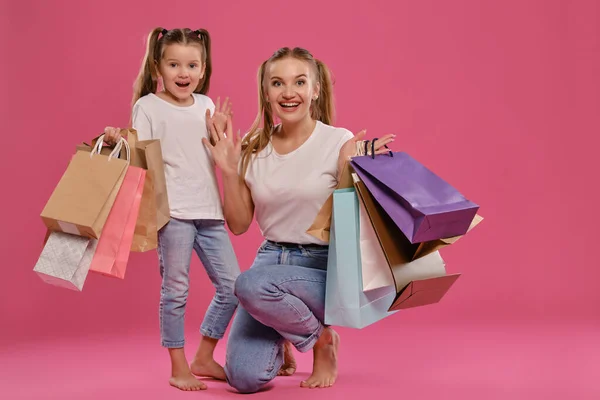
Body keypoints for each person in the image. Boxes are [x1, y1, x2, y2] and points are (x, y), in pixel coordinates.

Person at [203, 46, 394, 393]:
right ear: (266, 91)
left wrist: (345, 173)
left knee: (248, 284)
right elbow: (240, 224)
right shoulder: (253, 145)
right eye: (277, 83)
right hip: (270, 262)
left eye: (299, 82)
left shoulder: (338, 141)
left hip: (322, 269)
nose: (288, 93)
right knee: (243, 378)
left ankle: (323, 343)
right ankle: (289, 334)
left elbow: (349, 225)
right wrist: (229, 171)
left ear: (315, 89)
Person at [104, 27, 240, 392]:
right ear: (157, 68)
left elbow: (218, 155)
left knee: (233, 286)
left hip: (209, 212)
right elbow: (138, 156)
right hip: (173, 213)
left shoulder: (207, 105)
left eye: (192, 64)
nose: (184, 73)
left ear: (203, 66)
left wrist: (222, 134)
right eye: (174, 64)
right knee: (176, 290)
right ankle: (178, 365)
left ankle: (204, 356)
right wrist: (119, 140)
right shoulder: (147, 106)